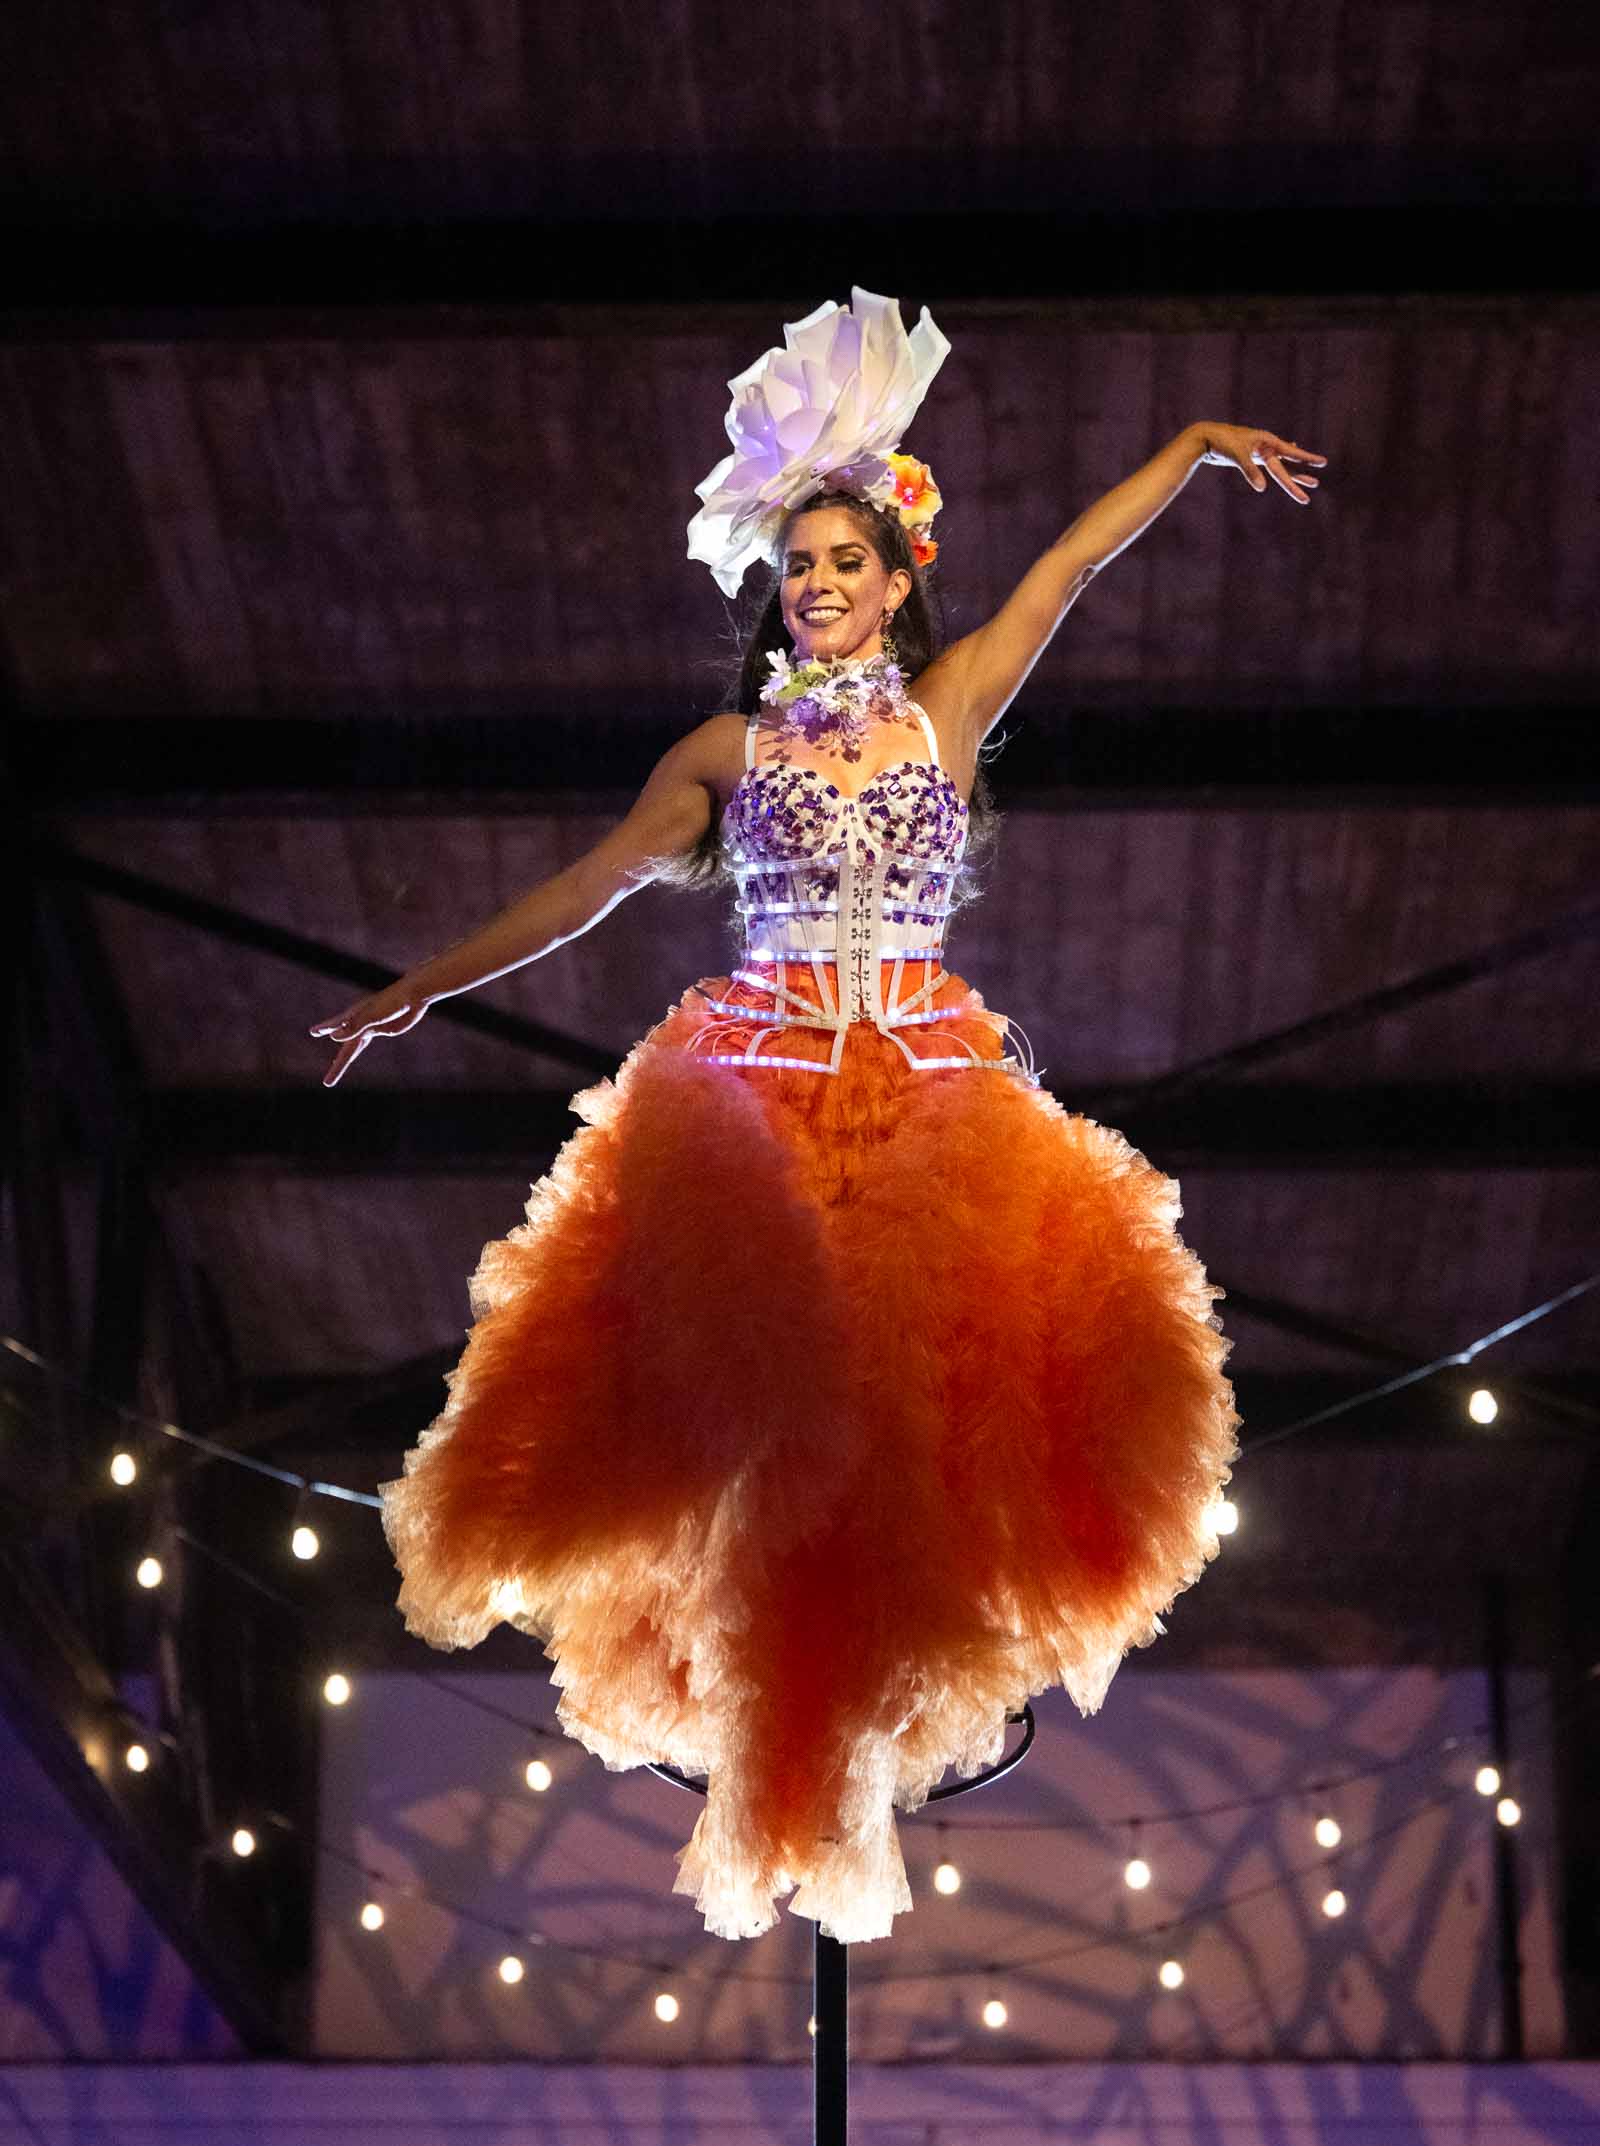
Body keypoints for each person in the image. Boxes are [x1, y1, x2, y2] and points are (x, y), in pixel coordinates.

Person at [310, 291, 1326, 1944]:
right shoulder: (727, 743)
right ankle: (767, 1692)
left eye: (848, 562)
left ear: (900, 577)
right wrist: (429, 980)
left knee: (929, 1413)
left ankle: (872, 1693)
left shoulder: (949, 716)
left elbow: (1067, 571)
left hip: (932, 1097)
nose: (822, 588)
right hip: (760, 1105)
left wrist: (1192, 448)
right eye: (799, 568)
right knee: (756, 1416)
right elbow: (589, 882)